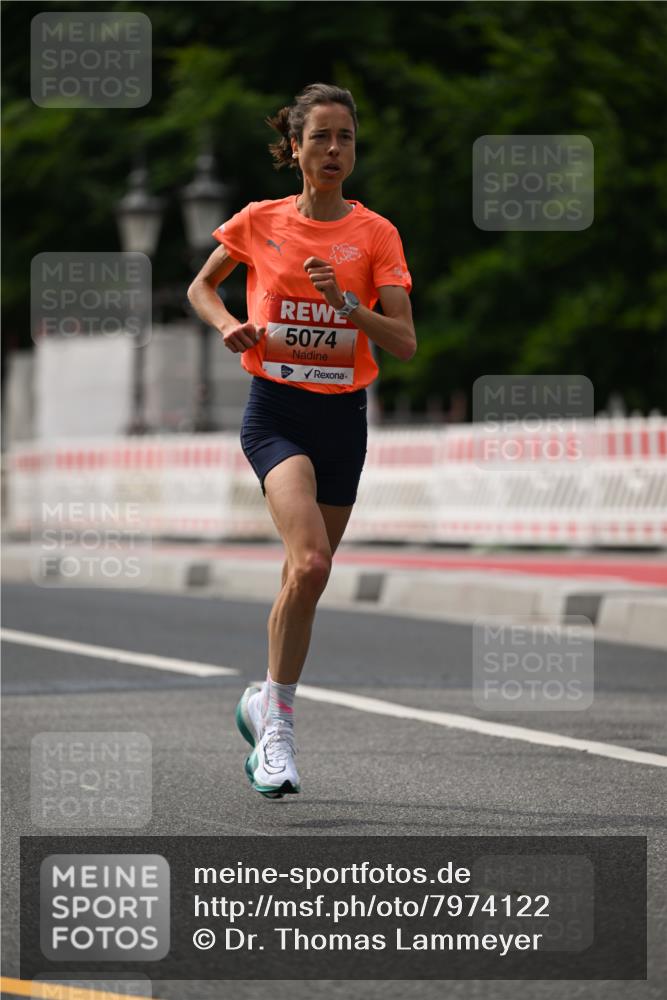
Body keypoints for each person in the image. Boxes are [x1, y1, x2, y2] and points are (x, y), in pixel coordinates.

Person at [187, 83, 416, 799]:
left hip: (343, 418)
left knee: (303, 580)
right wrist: (228, 326)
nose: (333, 150)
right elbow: (201, 287)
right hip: (276, 411)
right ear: (293, 147)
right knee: (311, 562)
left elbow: (404, 342)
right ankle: (278, 731)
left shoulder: (375, 234)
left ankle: (262, 698)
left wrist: (348, 304)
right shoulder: (259, 221)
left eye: (345, 137)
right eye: (319, 137)